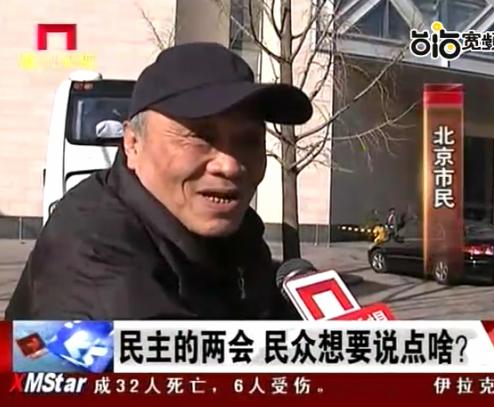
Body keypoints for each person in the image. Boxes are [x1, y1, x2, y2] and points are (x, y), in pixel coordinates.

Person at [5, 42, 313, 320]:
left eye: (249, 141)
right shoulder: (92, 250)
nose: (230, 166)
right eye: (200, 137)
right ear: (132, 144)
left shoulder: (236, 235)